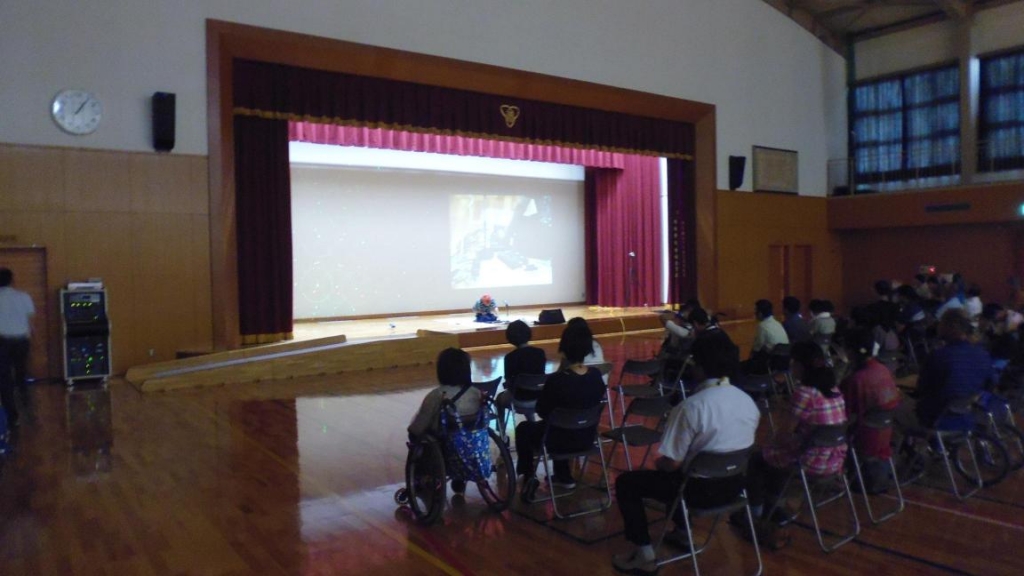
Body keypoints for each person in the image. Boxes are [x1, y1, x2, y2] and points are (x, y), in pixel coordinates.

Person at [612, 328, 759, 575]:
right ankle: (682, 532)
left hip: (698, 491)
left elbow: (671, 464)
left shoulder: (692, 407)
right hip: (735, 486)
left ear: (698, 367)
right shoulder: (747, 401)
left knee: (629, 482)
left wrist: (659, 466)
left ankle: (645, 554)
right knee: (681, 476)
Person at [742, 342, 847, 523]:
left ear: (800, 365)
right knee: (776, 458)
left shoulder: (804, 393)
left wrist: (767, 446)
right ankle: (773, 508)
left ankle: (755, 515)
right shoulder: (834, 390)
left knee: (758, 459)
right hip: (835, 460)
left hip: (811, 460)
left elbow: (783, 435)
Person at [516, 318, 605, 490]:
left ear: (562, 350)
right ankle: (563, 475)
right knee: (563, 423)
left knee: (525, 428)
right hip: (588, 437)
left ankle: (528, 476)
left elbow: (542, 411)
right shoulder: (595, 376)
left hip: (558, 441)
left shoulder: (557, 380)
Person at [407, 347, 483, 495]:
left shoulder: (436, 395)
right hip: (472, 442)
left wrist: (413, 433)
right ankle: (460, 479)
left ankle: (423, 480)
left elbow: (419, 426)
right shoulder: (477, 393)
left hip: (444, 442)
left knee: (418, 438)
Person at [908, 309, 995, 430]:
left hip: (935, 417)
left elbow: (922, 388)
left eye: (941, 323)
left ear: (951, 326)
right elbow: (990, 383)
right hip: (967, 416)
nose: (938, 327)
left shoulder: (939, 355)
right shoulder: (983, 354)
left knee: (897, 407)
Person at [840, 327, 902, 493]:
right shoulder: (883, 370)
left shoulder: (857, 379)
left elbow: (843, 413)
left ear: (850, 352)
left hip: (864, 436)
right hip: (886, 433)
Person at [0, 267, 35, 427]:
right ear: (12, 280)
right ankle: (27, 407)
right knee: (21, 372)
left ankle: (13, 416)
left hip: (3, 342)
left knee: (4, 378)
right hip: (22, 341)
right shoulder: (24, 296)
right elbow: (31, 321)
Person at [495, 320, 547, 424]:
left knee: (498, 399)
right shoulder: (540, 353)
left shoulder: (510, 357)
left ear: (510, 337)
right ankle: (531, 421)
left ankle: (501, 432)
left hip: (518, 400)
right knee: (528, 386)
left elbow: (509, 381)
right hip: (539, 398)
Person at [742, 299, 789, 375]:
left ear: (760, 313)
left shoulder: (762, 326)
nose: (754, 313)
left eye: (755, 311)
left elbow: (757, 347)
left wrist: (750, 357)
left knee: (743, 366)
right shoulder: (777, 323)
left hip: (771, 361)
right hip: (785, 360)